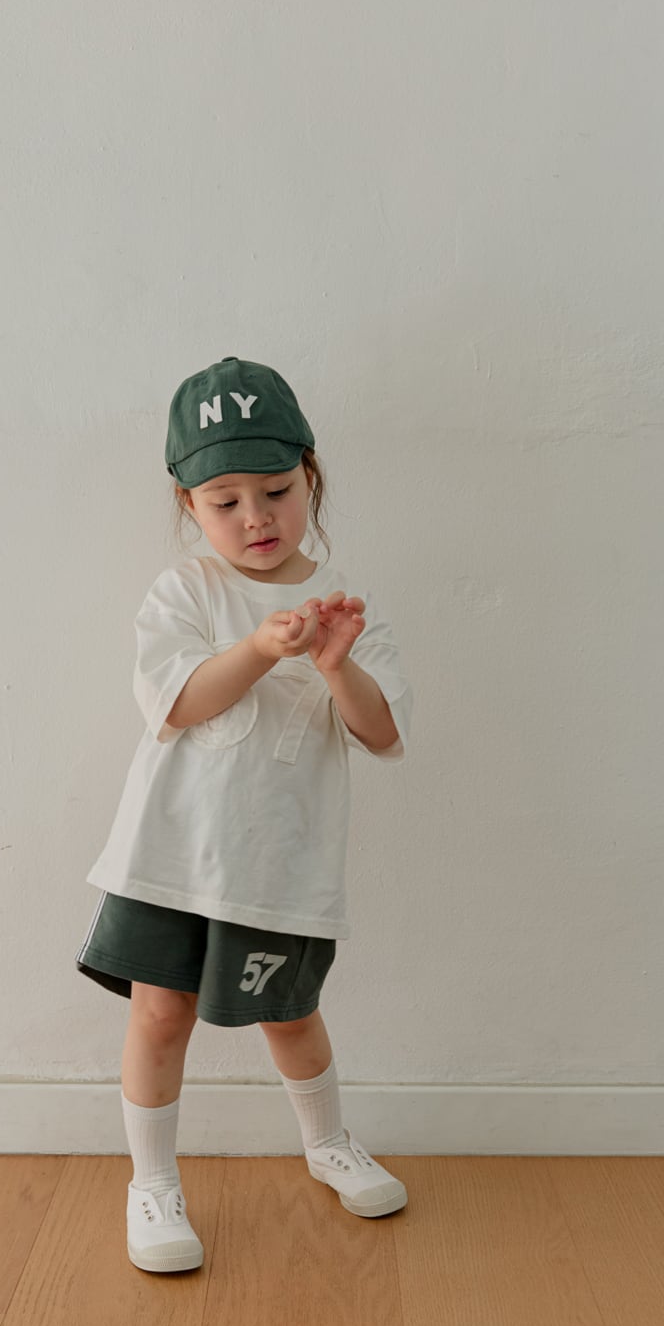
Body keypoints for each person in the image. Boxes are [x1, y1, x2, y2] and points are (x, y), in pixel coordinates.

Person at [75, 355, 413, 1273]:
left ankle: (327, 1143)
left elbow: (382, 732)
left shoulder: (345, 605)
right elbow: (178, 701)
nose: (256, 517)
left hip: (279, 867)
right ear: (189, 503)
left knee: (291, 1016)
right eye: (225, 501)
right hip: (169, 856)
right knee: (160, 1014)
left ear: (310, 476)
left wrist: (335, 663)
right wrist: (261, 648)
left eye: (276, 491)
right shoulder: (186, 592)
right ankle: (152, 1183)